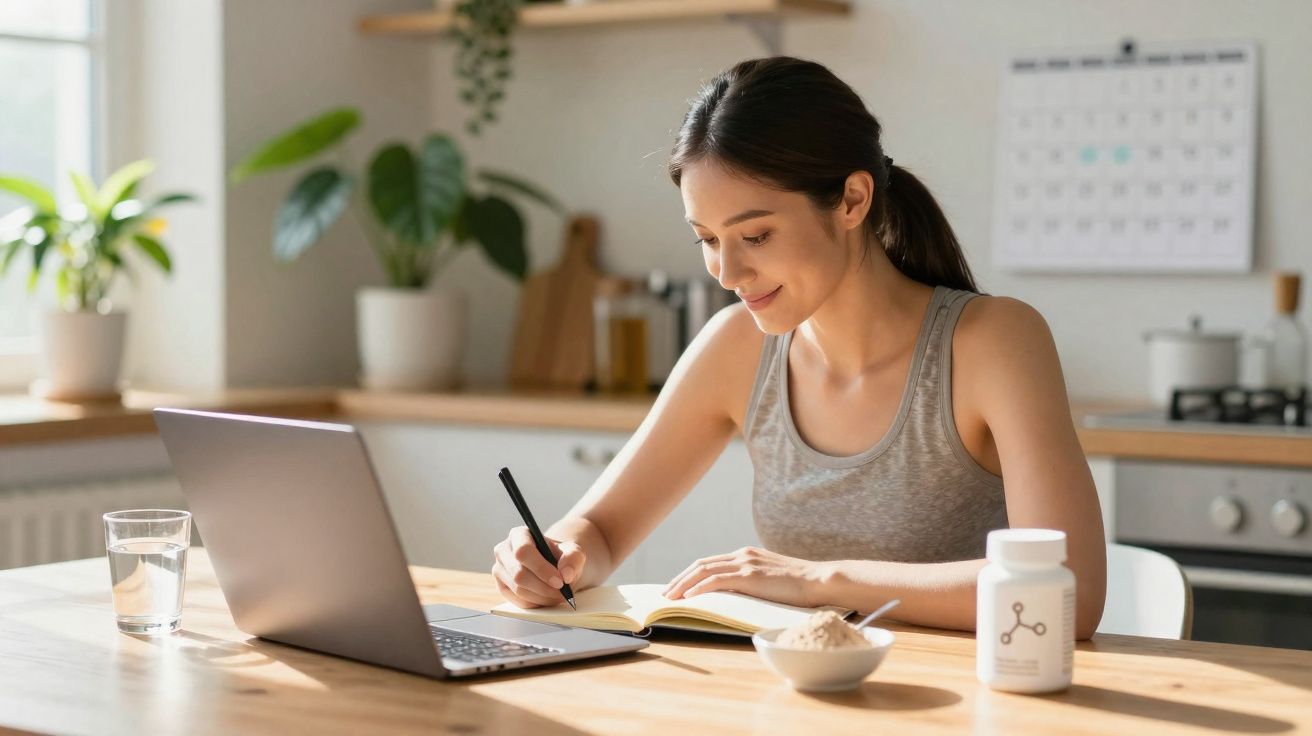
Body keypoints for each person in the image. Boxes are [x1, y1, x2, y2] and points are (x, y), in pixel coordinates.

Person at [492, 56, 1106, 638]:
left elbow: (1066, 591)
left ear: (852, 200)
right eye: (706, 239)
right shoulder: (736, 349)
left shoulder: (993, 342)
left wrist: (818, 580)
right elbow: (599, 530)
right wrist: (552, 556)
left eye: (755, 235)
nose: (728, 273)